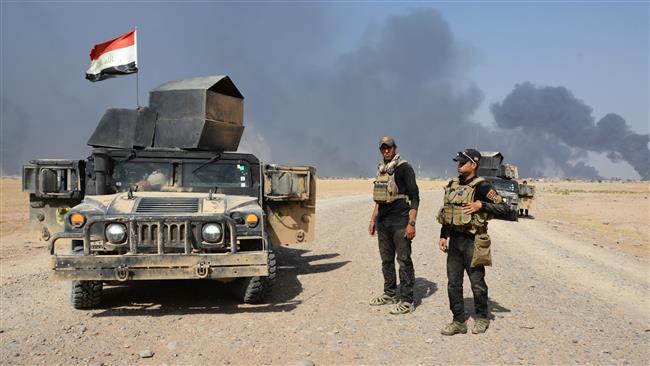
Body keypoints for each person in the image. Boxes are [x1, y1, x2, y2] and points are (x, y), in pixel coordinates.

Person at [437, 149, 510, 335]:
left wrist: (481, 205)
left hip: (473, 241)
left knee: (477, 282)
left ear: (474, 165)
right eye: (458, 162)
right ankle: (458, 321)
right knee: (453, 283)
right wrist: (443, 235)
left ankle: (481, 317)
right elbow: (448, 212)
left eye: (463, 162)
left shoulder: (482, 186)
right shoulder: (452, 184)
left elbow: (505, 208)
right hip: (455, 241)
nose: (459, 165)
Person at [368, 136, 420, 314]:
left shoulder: (405, 168)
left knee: (404, 260)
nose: (386, 151)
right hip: (383, 221)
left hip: (400, 221)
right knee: (386, 260)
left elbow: (415, 197)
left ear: (395, 148)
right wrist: (373, 219)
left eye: (389, 147)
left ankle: (407, 300)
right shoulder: (381, 170)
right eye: (383, 148)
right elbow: (379, 198)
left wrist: (411, 223)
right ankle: (389, 293)